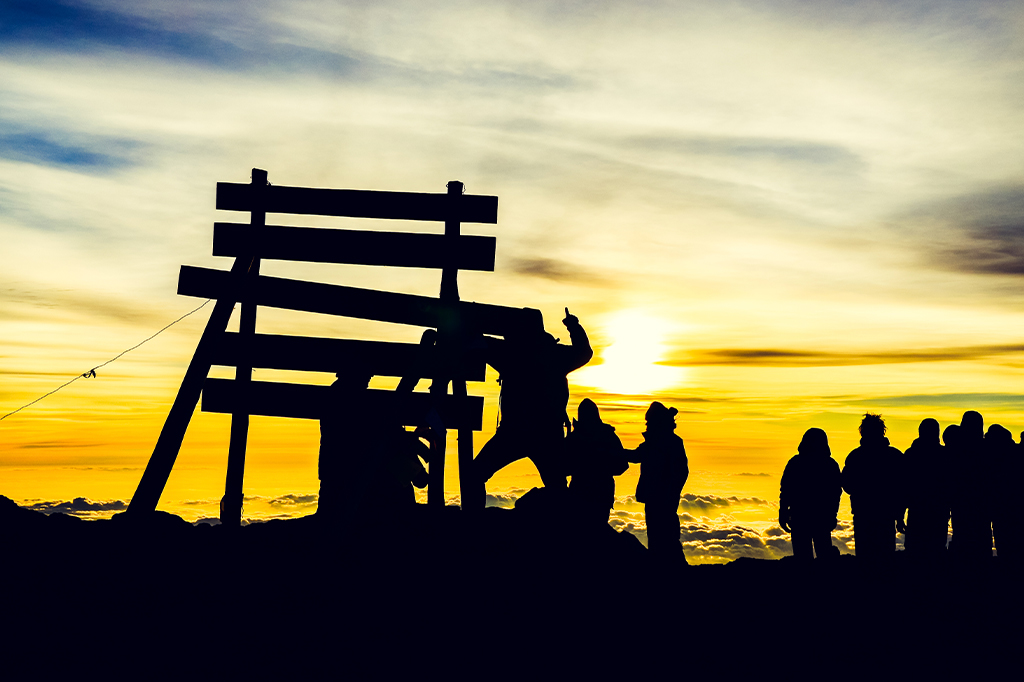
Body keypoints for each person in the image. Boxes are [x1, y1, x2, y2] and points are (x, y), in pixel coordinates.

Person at [472, 307, 593, 492]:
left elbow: (478, 342)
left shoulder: (509, 353)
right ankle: (562, 520)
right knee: (557, 486)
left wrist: (475, 320)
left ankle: (474, 520)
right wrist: (573, 326)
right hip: (548, 433)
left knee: (475, 474)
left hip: (513, 431)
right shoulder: (555, 355)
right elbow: (585, 352)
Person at [627, 402, 688, 557]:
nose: (646, 426)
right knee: (665, 536)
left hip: (659, 498)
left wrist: (611, 452)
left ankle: (663, 570)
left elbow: (635, 456)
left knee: (660, 536)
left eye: (648, 422)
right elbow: (682, 472)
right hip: (664, 498)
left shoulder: (658, 443)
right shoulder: (670, 441)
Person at [841, 413, 905, 560]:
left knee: (865, 556)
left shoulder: (855, 456)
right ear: (882, 431)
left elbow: (847, 485)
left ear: (862, 431)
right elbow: (903, 488)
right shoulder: (894, 456)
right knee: (886, 556)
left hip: (863, 514)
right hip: (887, 514)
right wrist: (900, 517)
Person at [317, 369, 377, 520]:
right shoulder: (354, 398)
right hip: (345, 466)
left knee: (330, 512)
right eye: (367, 375)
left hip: (333, 465)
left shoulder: (336, 394)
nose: (370, 378)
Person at [563, 399, 629, 528]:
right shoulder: (607, 435)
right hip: (600, 492)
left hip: (581, 491)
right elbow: (622, 465)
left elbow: (562, 467)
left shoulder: (575, 438)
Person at [779, 428, 842, 560]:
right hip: (821, 518)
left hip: (800, 518)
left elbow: (786, 491)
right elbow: (835, 494)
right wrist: (832, 515)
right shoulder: (830, 465)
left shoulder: (795, 463)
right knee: (824, 557)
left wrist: (783, 513)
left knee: (803, 559)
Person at [903, 418, 951, 557]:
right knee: (936, 551)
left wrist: (899, 514)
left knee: (915, 551)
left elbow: (903, 486)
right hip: (939, 513)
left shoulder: (911, 455)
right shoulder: (945, 455)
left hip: (917, 512)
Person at [949, 411, 993, 559]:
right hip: (983, 504)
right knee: (981, 539)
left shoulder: (955, 450)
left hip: (960, 503)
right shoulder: (987, 449)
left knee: (962, 537)